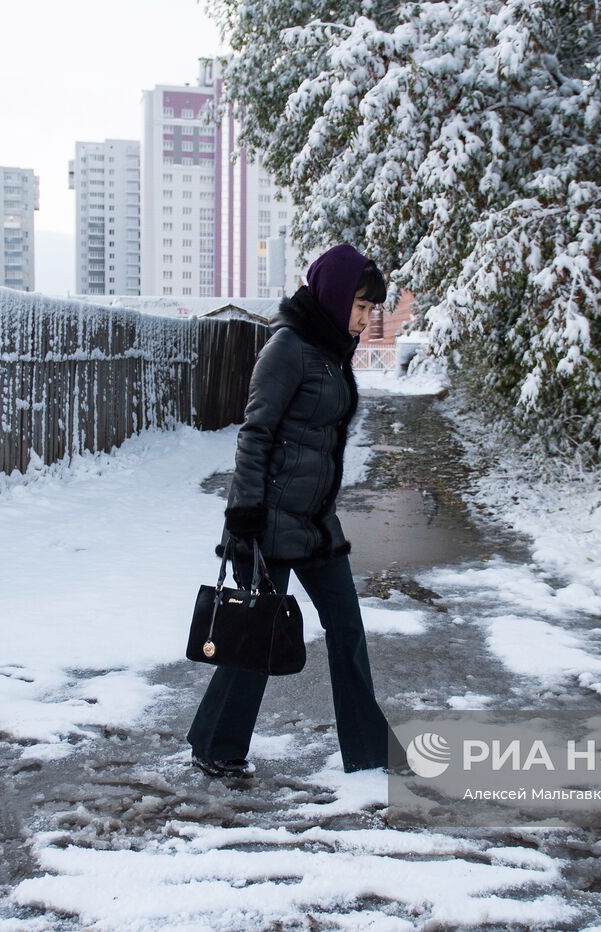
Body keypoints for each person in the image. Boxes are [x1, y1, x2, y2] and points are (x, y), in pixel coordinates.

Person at [187, 243, 408, 779]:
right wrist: (243, 518)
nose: (365, 319)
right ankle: (216, 747)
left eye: (369, 309)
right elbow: (255, 434)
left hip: (315, 525)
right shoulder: (287, 348)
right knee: (255, 638)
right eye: (359, 306)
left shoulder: (330, 349)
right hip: (267, 523)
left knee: (347, 630)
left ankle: (368, 752)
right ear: (332, 296)